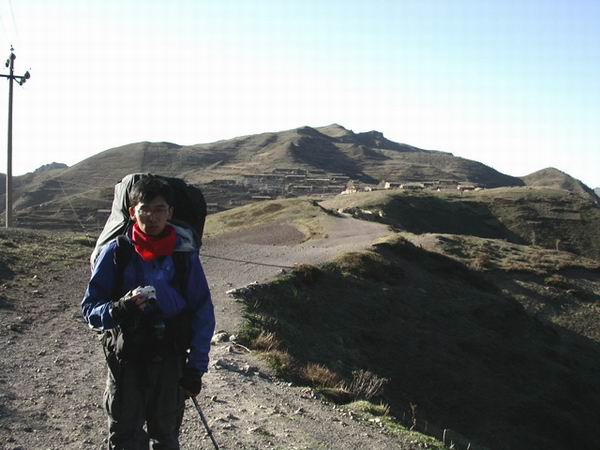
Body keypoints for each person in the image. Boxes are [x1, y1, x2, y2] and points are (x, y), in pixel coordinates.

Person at [81, 175, 215, 449]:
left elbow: (202, 310)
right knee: (125, 437)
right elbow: (90, 308)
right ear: (132, 212)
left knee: (166, 437)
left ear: (170, 213)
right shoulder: (116, 252)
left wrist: (195, 368)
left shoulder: (183, 256)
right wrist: (119, 309)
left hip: (170, 358)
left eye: (159, 209)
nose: (152, 217)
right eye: (145, 209)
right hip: (127, 361)